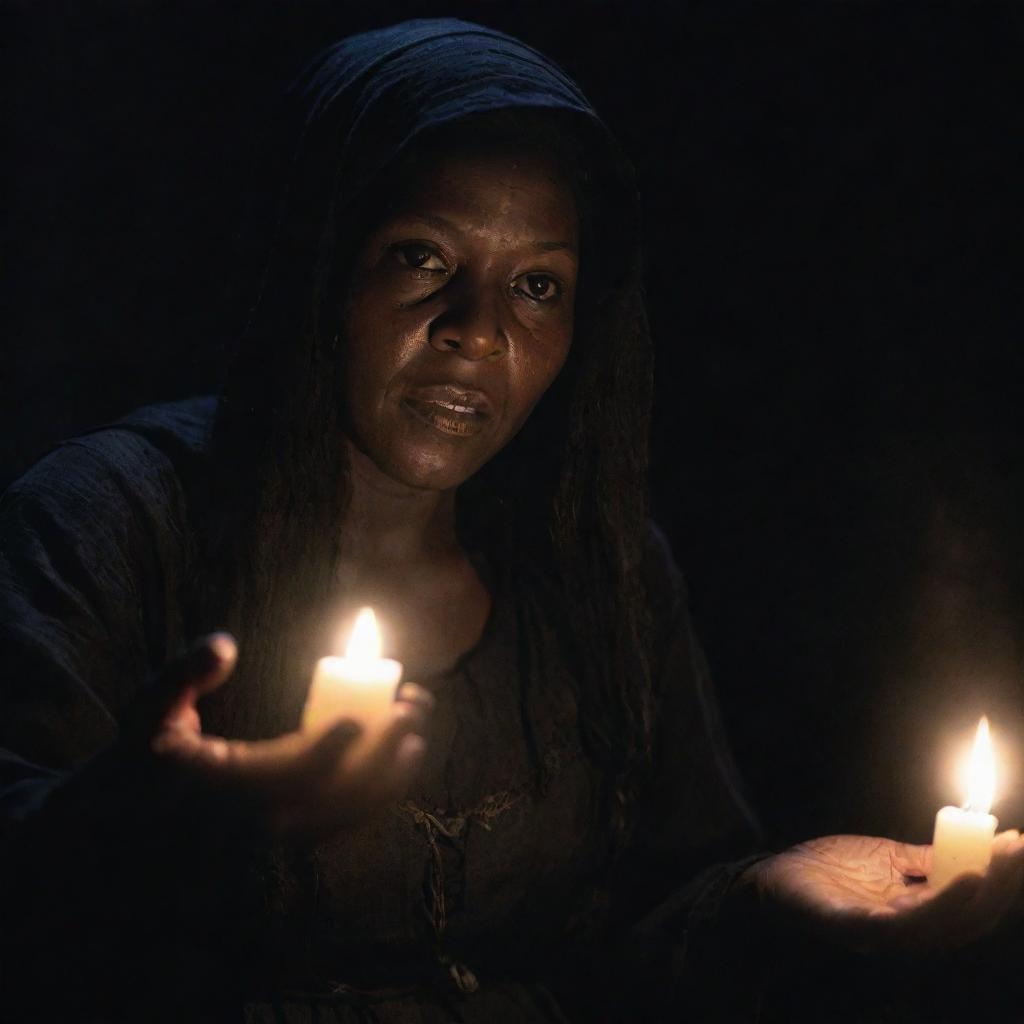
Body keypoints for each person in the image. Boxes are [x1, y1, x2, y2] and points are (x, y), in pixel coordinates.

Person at [1, 18, 1022, 1024]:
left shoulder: (594, 568)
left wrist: (756, 899)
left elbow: (641, 940)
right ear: (315, 260)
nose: (479, 331)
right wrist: (131, 824)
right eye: (418, 258)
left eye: (538, 285)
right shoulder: (112, 521)